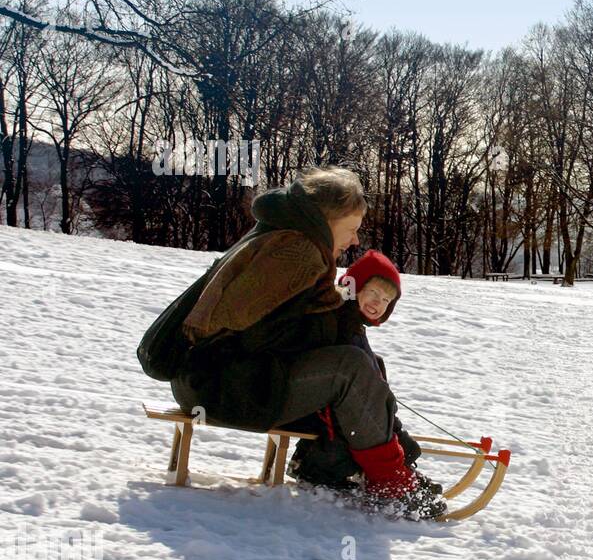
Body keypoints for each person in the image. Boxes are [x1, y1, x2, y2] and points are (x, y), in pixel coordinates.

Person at [150, 166, 443, 519]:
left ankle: (352, 463)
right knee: (348, 369)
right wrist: (325, 322)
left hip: (221, 378)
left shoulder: (285, 237)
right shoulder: (296, 251)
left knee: (360, 361)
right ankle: (391, 483)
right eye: (351, 230)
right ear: (327, 219)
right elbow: (247, 328)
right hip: (221, 385)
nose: (354, 241)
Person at [286, 250, 426, 489]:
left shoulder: (351, 322)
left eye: (385, 300)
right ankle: (378, 477)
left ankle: (393, 455)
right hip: (312, 407)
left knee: (375, 363)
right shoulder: (338, 320)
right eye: (374, 293)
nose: (378, 304)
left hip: (327, 404)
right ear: (356, 287)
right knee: (363, 369)